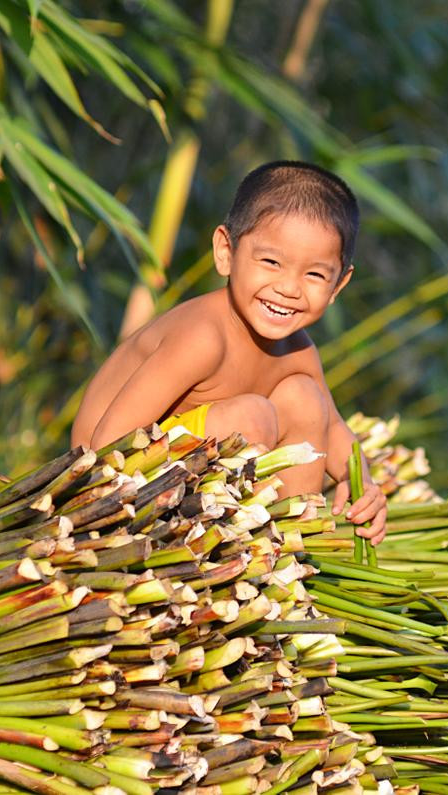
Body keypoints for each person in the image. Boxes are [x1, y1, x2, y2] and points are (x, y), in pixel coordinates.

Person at [71, 161, 387, 544]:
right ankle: (225, 547)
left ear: (339, 284)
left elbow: (333, 428)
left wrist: (363, 482)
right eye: (271, 262)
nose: (289, 288)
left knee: (307, 398)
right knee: (251, 416)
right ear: (226, 252)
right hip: (111, 478)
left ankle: (293, 543)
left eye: (315, 275)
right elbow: (110, 441)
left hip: (196, 474)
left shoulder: (299, 352)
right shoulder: (203, 336)